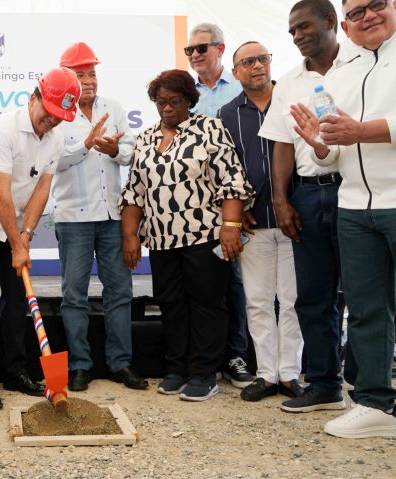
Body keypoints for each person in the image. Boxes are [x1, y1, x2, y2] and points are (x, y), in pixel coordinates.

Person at [290, 0, 396, 438]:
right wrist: (318, 144)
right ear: (347, 27)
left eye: (377, 5)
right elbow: (332, 151)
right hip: (354, 205)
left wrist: (361, 131)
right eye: (357, 12)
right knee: (367, 307)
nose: (368, 15)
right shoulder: (337, 76)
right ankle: (375, 404)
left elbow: (358, 132)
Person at [121, 69, 253, 402]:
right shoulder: (146, 138)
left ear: (189, 101)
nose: (167, 108)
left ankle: (204, 372)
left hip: (205, 235)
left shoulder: (209, 129)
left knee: (207, 304)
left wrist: (231, 228)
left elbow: (233, 181)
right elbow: (134, 193)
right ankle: (177, 368)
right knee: (171, 305)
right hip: (162, 240)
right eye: (160, 102)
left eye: (174, 101)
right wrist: (130, 237)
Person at [0, 67, 81, 410]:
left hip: (14, 226)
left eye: (59, 117)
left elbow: (42, 189)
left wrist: (25, 235)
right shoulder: (3, 130)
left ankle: (15, 371)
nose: (52, 122)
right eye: (49, 113)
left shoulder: (55, 138)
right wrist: (17, 244)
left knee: (16, 301)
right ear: (33, 98)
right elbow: (1, 194)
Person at [258, 0, 349, 414]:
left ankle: (372, 390)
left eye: (304, 26)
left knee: (368, 297)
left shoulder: (361, 67)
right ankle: (325, 385)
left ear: (330, 21)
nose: (297, 36)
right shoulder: (290, 82)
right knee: (313, 296)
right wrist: (281, 199)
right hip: (308, 193)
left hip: (356, 191)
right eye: (292, 30)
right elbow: (279, 142)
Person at [52, 42, 145, 392]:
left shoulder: (115, 108)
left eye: (92, 73)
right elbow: (54, 162)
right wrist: (85, 145)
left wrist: (115, 149)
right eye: (80, 74)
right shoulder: (57, 113)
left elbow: (132, 153)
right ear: (67, 79)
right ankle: (79, 366)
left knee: (119, 291)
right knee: (73, 295)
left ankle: (121, 364)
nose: (88, 80)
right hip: (72, 219)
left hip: (111, 216)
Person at [219, 42, 304, 402]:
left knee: (292, 300)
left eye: (263, 59)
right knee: (256, 300)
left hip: (295, 219)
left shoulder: (292, 101)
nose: (257, 66)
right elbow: (223, 170)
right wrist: (236, 214)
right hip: (254, 223)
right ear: (235, 72)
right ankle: (267, 374)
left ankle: (290, 374)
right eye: (247, 62)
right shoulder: (226, 114)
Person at [187, 23, 253, 389]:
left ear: (220, 48)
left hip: (236, 201)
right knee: (206, 285)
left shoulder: (242, 86)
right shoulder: (184, 94)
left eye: (202, 48)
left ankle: (238, 355)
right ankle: (207, 360)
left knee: (237, 283)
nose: (195, 55)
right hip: (196, 206)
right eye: (190, 51)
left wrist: (242, 206)